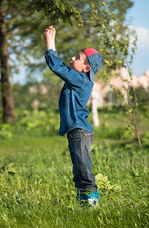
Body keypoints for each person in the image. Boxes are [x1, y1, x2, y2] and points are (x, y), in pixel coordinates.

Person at [44, 25, 102, 208]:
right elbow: (63, 69)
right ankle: (83, 202)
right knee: (78, 170)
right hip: (76, 131)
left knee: (84, 169)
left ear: (86, 68)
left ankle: (92, 203)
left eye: (77, 58)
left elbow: (57, 67)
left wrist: (50, 44)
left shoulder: (82, 81)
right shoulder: (77, 78)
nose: (72, 58)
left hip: (80, 131)